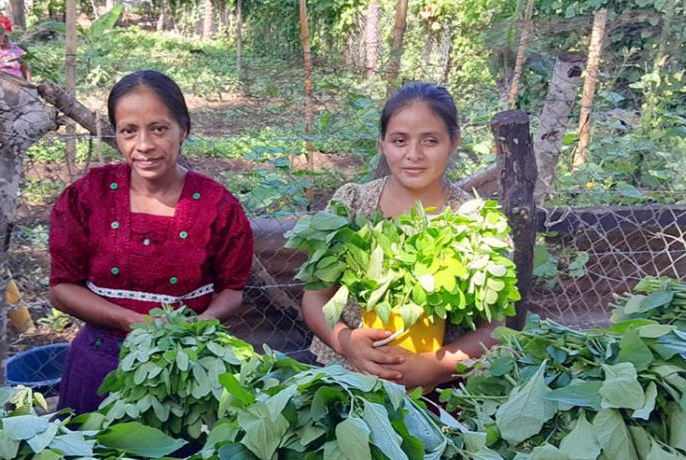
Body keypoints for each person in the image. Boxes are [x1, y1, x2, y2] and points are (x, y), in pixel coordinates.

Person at [50, 70, 254, 414]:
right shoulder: (88, 197)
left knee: (177, 448)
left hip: (187, 368)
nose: (144, 145)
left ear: (183, 130)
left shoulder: (217, 206)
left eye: (159, 129)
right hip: (99, 367)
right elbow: (61, 289)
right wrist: (130, 321)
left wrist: (201, 324)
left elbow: (232, 291)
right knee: (92, 445)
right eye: (129, 131)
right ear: (116, 135)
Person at [302, 82, 499, 390]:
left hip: (441, 388)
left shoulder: (474, 220)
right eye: (399, 140)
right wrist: (346, 342)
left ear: (454, 142)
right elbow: (315, 298)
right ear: (382, 143)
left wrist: (434, 367)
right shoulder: (353, 204)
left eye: (430, 141)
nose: (413, 154)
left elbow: (494, 329)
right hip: (346, 379)